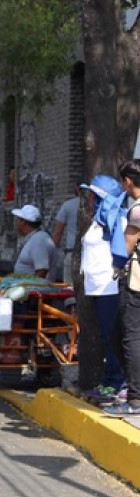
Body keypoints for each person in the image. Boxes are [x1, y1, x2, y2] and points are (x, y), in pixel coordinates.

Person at [77, 175, 128, 406]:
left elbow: (120, 252)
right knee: (107, 337)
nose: (88, 198)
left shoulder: (115, 219)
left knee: (113, 337)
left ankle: (118, 383)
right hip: (97, 288)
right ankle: (111, 380)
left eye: (92, 194)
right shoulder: (98, 220)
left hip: (110, 287)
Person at [104, 160, 140, 416]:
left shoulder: (136, 212)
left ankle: (136, 398)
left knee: (128, 338)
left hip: (135, 282)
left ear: (128, 181)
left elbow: (125, 249)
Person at [11, 204, 54, 278]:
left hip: (32, 288)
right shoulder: (33, 238)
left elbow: (42, 271)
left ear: (23, 222)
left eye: (18, 220)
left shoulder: (39, 240)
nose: (16, 223)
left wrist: (31, 287)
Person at [52, 188, 80, 283]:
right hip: (90, 254)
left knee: (69, 288)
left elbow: (58, 231)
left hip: (72, 252)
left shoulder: (68, 205)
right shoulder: (95, 205)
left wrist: (52, 251)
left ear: (77, 189)